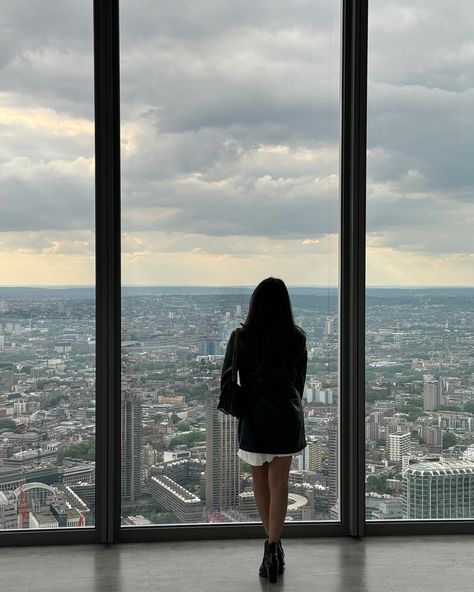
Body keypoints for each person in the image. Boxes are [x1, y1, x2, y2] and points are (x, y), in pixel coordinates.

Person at [220, 277, 307, 583]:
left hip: (255, 419)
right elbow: (300, 382)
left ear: (255, 303)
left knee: (260, 484)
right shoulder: (296, 337)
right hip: (286, 416)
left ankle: (270, 548)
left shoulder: (241, 337)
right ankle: (273, 548)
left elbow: (228, 380)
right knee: (280, 483)